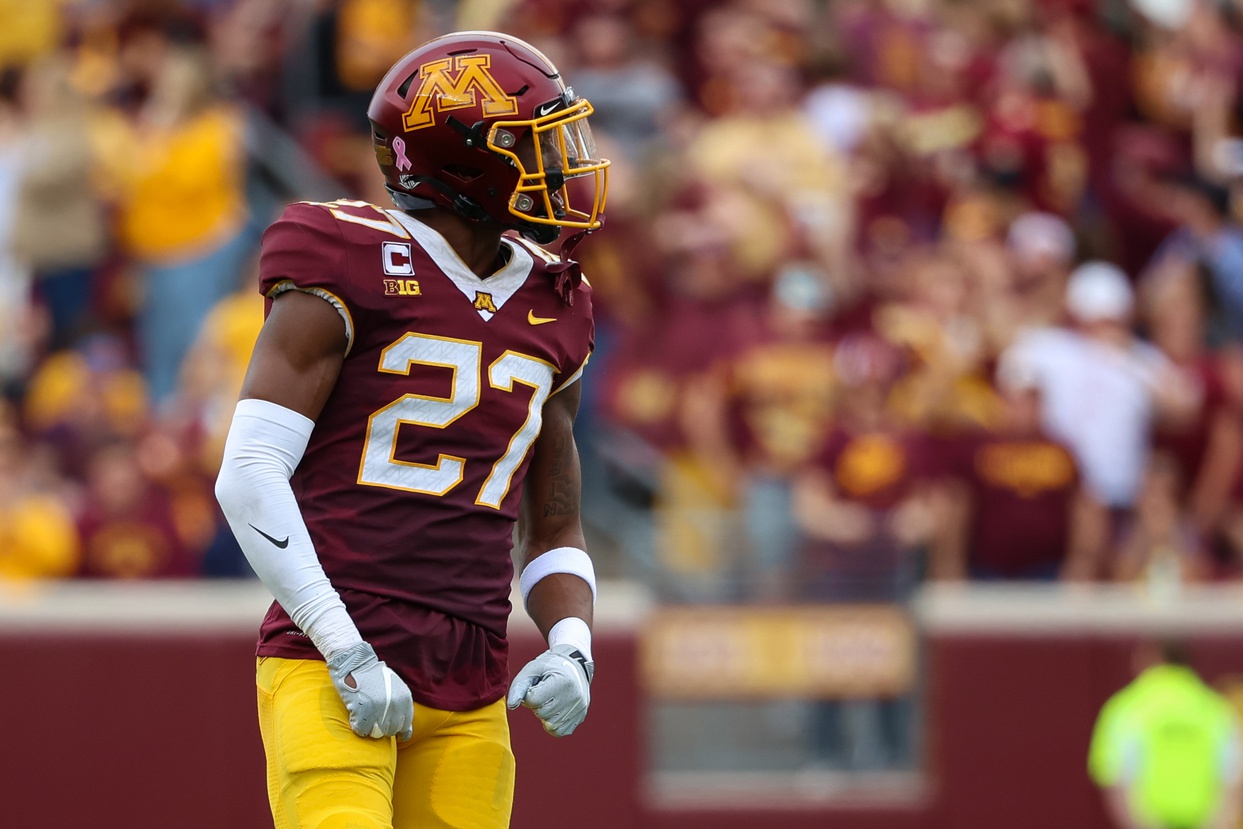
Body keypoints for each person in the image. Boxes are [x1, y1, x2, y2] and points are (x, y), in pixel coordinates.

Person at [214, 32, 609, 829]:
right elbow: (249, 470)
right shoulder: (345, 254)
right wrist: (344, 646)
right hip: (332, 655)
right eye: (534, 143)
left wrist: (571, 642)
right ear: (463, 161)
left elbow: (554, 517)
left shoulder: (556, 298)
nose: (564, 163)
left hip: (471, 675)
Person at [1089, 639, 1243, 829]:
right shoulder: (1214, 709)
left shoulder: (1127, 708)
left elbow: (1115, 778)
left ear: (1152, 655)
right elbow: (1232, 778)